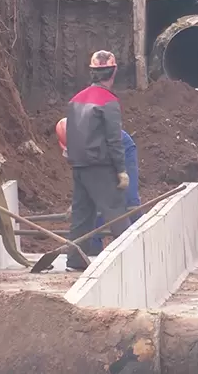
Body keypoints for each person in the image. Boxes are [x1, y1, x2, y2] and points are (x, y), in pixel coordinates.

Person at [63, 50, 131, 271]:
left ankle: (74, 260)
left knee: (82, 214)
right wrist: (121, 169)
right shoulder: (109, 102)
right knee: (115, 211)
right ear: (113, 72)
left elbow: (69, 134)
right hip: (100, 166)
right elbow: (114, 139)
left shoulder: (75, 100)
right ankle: (130, 259)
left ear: (92, 72)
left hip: (79, 166)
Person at [56, 118, 142, 256]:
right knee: (92, 206)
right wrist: (78, 204)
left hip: (121, 149)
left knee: (128, 200)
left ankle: (139, 243)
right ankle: (92, 249)